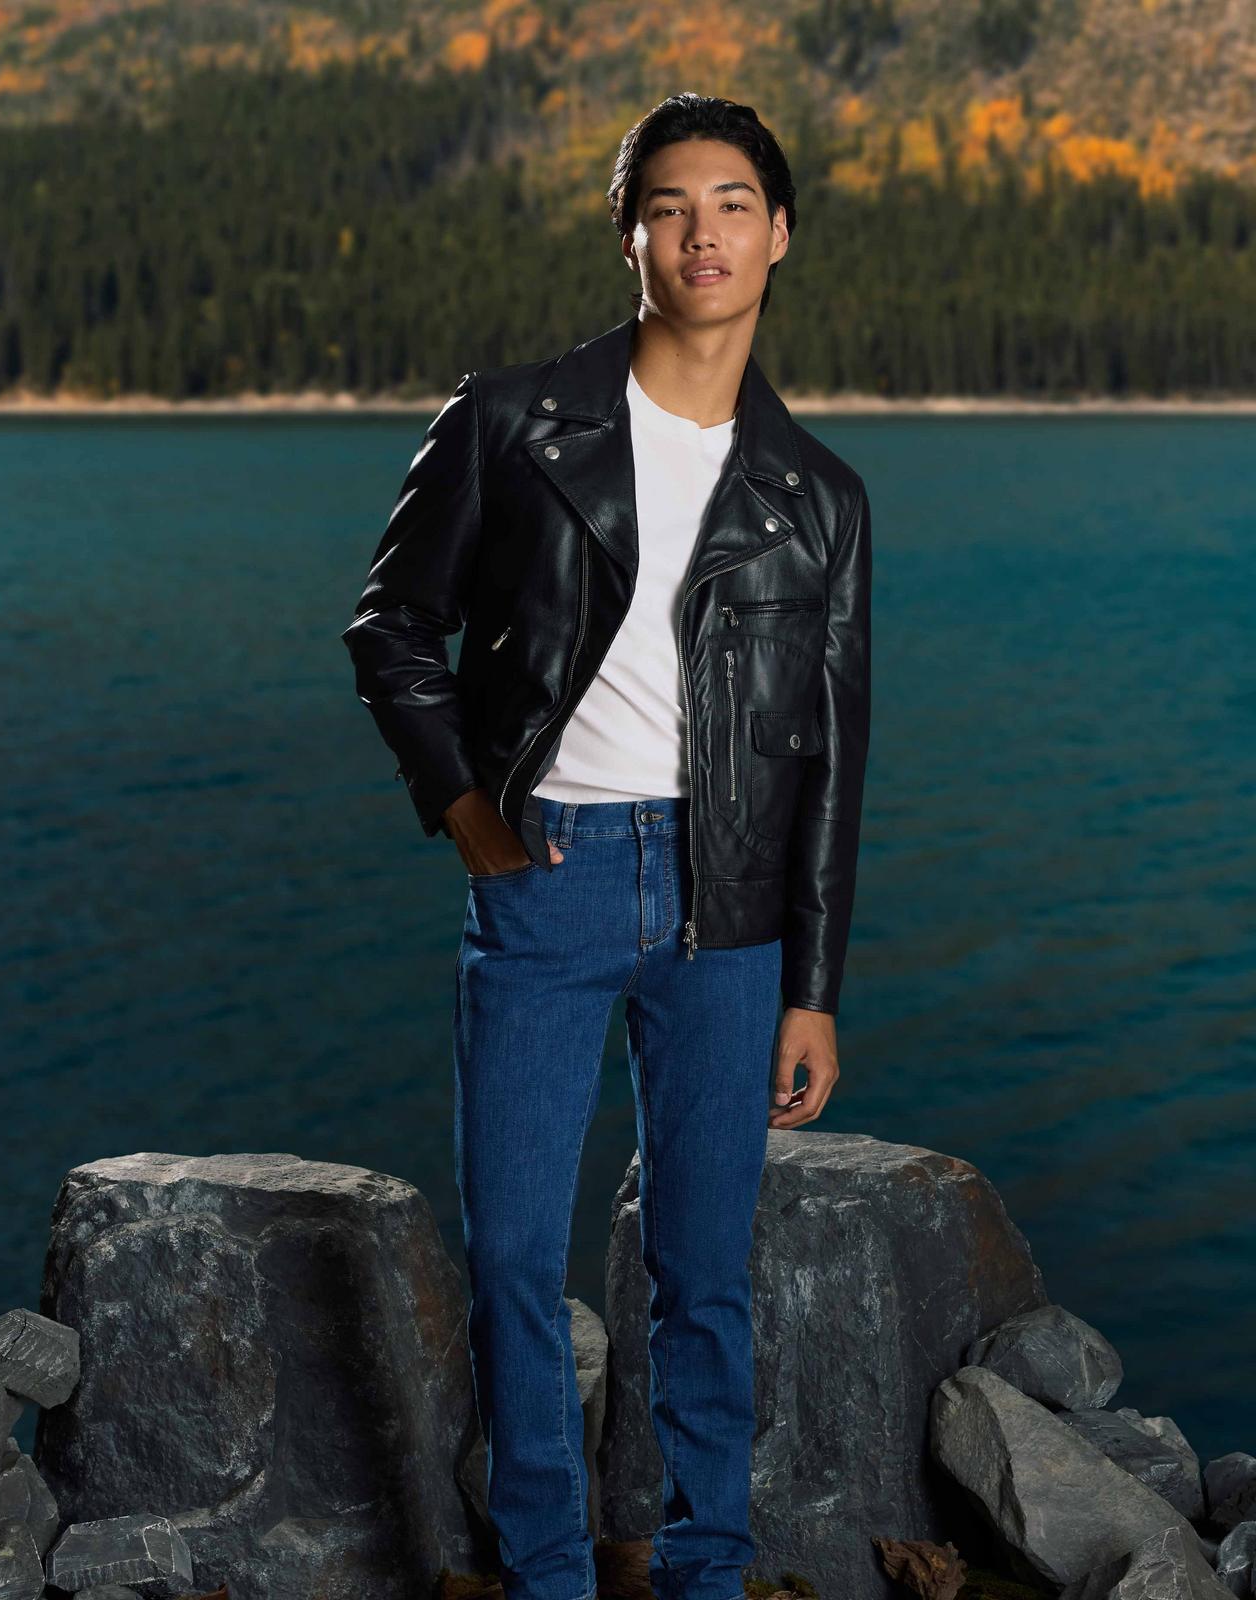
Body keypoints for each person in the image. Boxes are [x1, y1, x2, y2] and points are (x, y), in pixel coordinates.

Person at [342, 91, 872, 1600]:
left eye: (730, 204)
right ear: (630, 232)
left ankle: (710, 1571)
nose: (700, 231)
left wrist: (814, 986)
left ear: (778, 235)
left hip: (732, 915)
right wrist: (471, 821)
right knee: (514, 1262)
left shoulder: (820, 499)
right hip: (549, 879)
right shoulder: (514, 421)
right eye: (668, 204)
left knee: (701, 1279)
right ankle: (551, 1573)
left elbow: (833, 761)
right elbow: (391, 627)